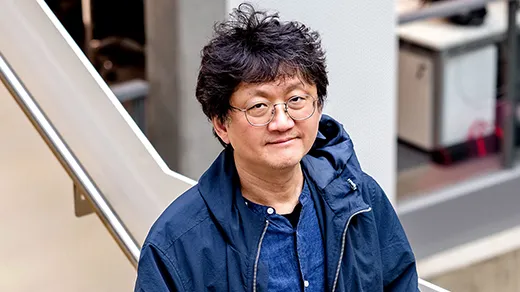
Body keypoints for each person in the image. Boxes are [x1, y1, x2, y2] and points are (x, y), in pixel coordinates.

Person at [135, 3, 419, 291]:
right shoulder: (177, 243)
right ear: (221, 125)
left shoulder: (360, 198)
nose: (282, 122)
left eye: (296, 100)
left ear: (318, 107)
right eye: (259, 106)